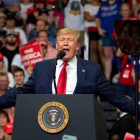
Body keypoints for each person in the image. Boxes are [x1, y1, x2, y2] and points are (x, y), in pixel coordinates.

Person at [0, 28, 137, 117]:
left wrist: (137, 110)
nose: (65, 43)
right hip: (47, 125)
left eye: (70, 40)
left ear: (77, 46)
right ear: (57, 45)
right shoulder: (41, 68)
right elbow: (21, 92)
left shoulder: (91, 70)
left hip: (79, 126)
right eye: (62, 40)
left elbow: (113, 96)